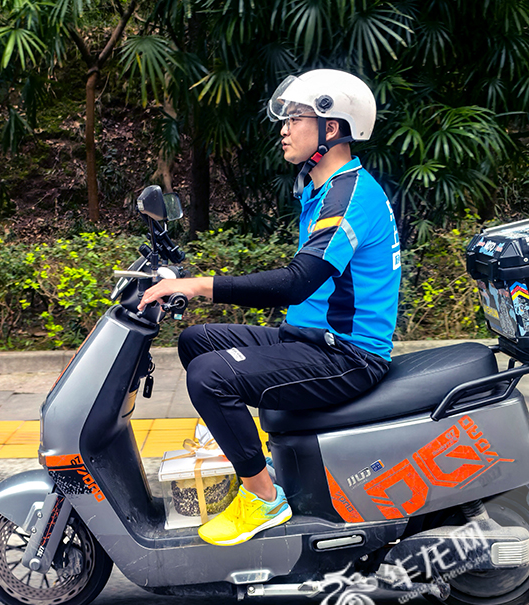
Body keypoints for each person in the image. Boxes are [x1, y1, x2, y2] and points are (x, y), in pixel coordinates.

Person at [139, 69, 401, 546]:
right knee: (198, 341)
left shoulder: (350, 195)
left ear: (332, 128)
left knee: (210, 377)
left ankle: (264, 500)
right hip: (310, 338)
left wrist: (200, 285)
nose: (283, 128)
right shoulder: (324, 188)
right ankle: (247, 453)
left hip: (347, 356)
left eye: (295, 119)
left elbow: (297, 282)